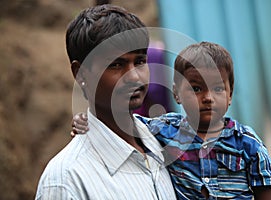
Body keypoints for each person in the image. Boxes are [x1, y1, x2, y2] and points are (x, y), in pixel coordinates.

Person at [72, 41, 271, 199]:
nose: (208, 97)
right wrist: (87, 121)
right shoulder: (164, 131)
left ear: (230, 94)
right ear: (176, 94)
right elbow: (122, 123)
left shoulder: (248, 143)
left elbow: (264, 193)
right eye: (196, 88)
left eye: (218, 88)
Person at [35, 4, 176, 200]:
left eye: (140, 61)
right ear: (81, 73)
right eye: (116, 65)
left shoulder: (165, 144)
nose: (134, 76)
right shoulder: (66, 180)